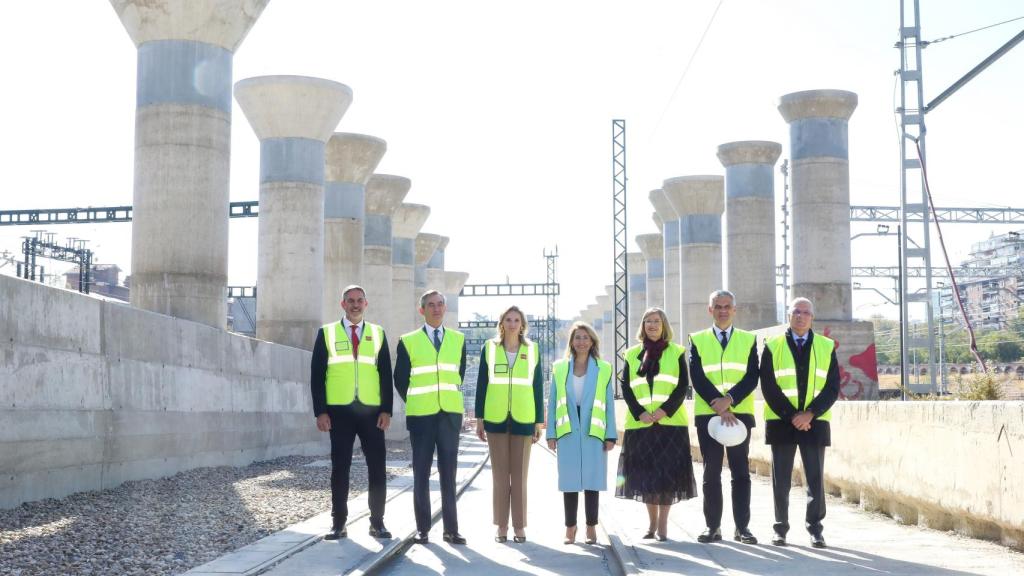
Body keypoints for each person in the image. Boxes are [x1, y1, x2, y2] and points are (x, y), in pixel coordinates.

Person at [310, 285, 393, 540]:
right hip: (339, 412)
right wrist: (320, 412)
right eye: (350, 301)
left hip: (371, 412)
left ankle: (377, 522)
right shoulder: (327, 333)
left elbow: (385, 375)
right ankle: (339, 524)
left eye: (359, 300)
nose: (355, 305)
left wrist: (387, 410)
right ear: (343, 304)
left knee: (377, 467)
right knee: (340, 468)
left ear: (366, 304)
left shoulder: (378, 333)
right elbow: (317, 376)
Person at [759, 297, 839, 549]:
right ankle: (780, 528)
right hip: (782, 421)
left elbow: (832, 386)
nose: (801, 316)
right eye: (796, 312)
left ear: (812, 317)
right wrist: (792, 415)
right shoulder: (773, 345)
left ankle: (815, 529)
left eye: (806, 312)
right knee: (780, 480)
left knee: (815, 479)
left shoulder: (826, 346)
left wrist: (810, 413)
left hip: (814, 422)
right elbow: (768, 385)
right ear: (789, 315)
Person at [615, 307, 698, 541]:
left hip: (670, 425)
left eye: (657, 321)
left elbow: (682, 387)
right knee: (646, 478)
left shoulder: (677, 352)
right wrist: (639, 412)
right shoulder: (631, 354)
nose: (652, 325)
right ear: (642, 326)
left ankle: (662, 525)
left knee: (666, 477)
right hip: (641, 425)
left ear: (664, 326)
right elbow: (626, 388)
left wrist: (664, 411)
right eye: (648, 321)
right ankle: (651, 523)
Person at [394, 290, 468, 545]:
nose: (436, 309)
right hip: (421, 417)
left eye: (440, 304)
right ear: (422, 310)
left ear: (445, 308)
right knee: (421, 473)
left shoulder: (458, 339)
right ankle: (422, 528)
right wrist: (417, 400)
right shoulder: (408, 341)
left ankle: (451, 529)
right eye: (431, 305)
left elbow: (459, 373)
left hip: (449, 416)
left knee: (449, 474)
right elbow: (400, 379)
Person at [688, 290, 760, 545]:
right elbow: (697, 377)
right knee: (711, 472)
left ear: (734, 309)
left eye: (727, 306)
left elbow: (752, 376)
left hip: (739, 415)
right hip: (708, 415)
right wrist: (719, 405)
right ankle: (713, 527)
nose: (722, 310)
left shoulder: (748, 339)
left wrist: (729, 400)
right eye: (718, 306)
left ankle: (742, 528)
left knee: (741, 472)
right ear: (710, 310)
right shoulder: (697, 339)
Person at [475, 305, 544, 543]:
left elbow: (537, 387)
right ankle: (502, 525)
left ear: (522, 324)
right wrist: (480, 418)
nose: (512, 324)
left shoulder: (533, 350)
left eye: (516, 320)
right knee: (500, 477)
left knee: (520, 477)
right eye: (508, 319)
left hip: (524, 419)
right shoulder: (489, 348)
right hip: (495, 419)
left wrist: (538, 422)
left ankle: (519, 526)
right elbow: (482, 385)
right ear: (501, 323)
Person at [547, 321, 617, 545]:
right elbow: (552, 402)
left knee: (592, 480)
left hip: (593, 430)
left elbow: (609, 403)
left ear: (592, 341)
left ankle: (591, 526)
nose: (582, 342)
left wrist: (610, 434)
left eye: (586, 337)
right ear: (571, 342)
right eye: (577, 337)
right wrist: (551, 433)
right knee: (569, 481)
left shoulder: (603, 368)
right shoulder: (559, 368)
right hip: (567, 429)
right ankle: (570, 527)